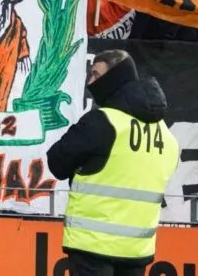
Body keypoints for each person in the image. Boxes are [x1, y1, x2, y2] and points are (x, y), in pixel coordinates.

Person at [48, 50, 179, 276]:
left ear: (116, 77)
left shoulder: (103, 122)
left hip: (92, 246)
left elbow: (57, 162)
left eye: (96, 75)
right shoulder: (167, 137)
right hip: (136, 251)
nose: (91, 83)